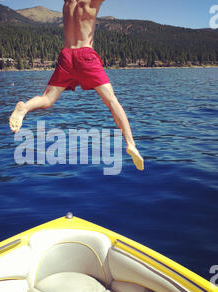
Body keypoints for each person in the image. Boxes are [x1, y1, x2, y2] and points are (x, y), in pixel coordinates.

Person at [9, 0, 144, 171]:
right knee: (112, 101)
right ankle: (131, 144)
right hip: (86, 55)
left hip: (66, 55)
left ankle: (24, 108)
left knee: (47, 98)